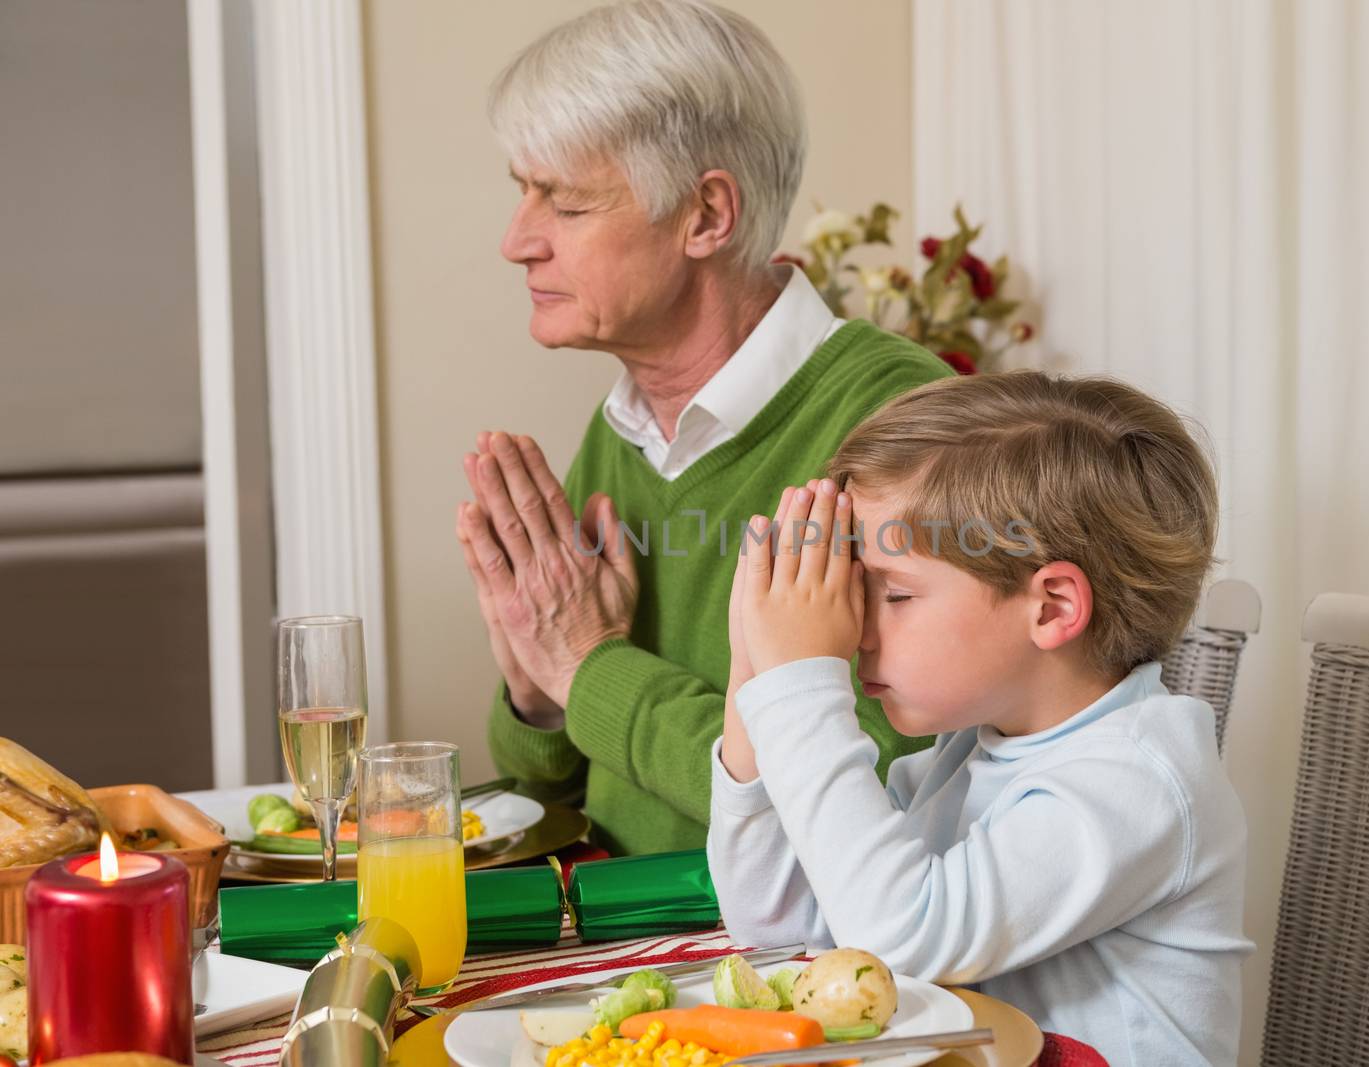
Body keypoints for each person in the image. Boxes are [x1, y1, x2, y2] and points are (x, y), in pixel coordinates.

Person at [456, 0, 952, 856]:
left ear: (706, 216)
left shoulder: (902, 429)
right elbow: (547, 793)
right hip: (612, 939)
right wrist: (536, 691)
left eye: (565, 204)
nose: (516, 240)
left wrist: (587, 668)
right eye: (522, 191)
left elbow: (869, 808)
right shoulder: (625, 428)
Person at [709, 372, 1252, 1065]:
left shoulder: (1139, 780)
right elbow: (790, 936)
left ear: (1052, 607)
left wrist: (800, 685)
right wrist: (751, 673)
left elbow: (900, 936)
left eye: (895, 593)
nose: (856, 629)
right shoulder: (967, 753)